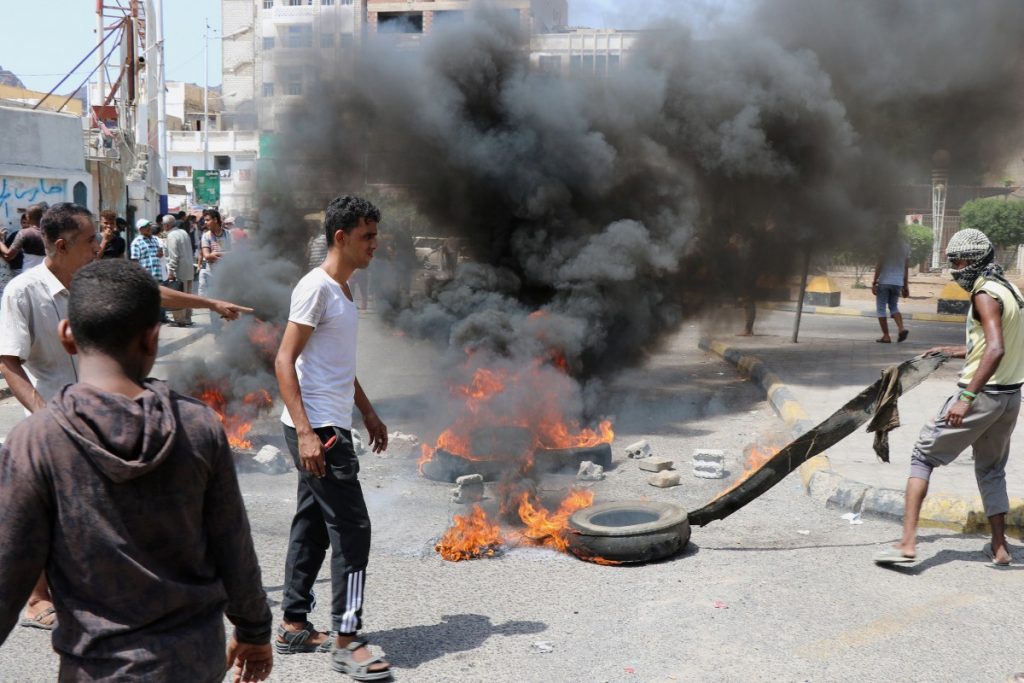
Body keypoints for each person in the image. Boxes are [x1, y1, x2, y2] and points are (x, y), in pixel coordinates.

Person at [0, 258, 274, 682]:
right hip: (194, 664)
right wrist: (254, 631)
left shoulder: (37, 441)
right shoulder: (199, 427)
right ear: (153, 338)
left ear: (67, 336)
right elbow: (233, 545)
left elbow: (8, 574)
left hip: (96, 670)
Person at [274, 195, 391, 679]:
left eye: (375, 235)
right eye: (367, 236)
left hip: (328, 421)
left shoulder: (342, 292)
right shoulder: (316, 288)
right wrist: (305, 432)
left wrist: (367, 411)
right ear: (340, 237)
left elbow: (336, 364)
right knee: (354, 529)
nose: (374, 245)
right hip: (317, 429)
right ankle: (347, 638)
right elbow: (284, 360)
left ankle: (293, 624)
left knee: (313, 523)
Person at [875, 229, 1024, 567]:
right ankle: (1000, 548)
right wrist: (954, 351)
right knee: (991, 468)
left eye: (958, 261)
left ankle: (907, 544)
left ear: (972, 261)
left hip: (982, 396)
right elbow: (997, 344)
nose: (955, 269)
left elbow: (997, 348)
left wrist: (966, 398)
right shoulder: (1009, 288)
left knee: (922, 457)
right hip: (1009, 397)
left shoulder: (984, 294)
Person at [871, 225, 911, 343]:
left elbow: (880, 264)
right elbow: (906, 267)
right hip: (898, 282)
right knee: (893, 307)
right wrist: (905, 285)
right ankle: (901, 328)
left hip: (884, 281)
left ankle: (886, 336)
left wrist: (874, 282)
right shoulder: (905, 246)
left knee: (881, 309)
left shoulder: (884, 245)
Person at [165, 214, 196, 327]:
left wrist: (171, 271)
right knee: (188, 294)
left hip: (180, 270)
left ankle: (180, 319)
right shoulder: (184, 233)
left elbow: (174, 256)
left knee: (177, 294)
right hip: (188, 268)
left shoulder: (172, 235)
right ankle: (187, 318)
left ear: (167, 225)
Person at [1, 203, 47, 271]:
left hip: (29, 273)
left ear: (28, 217)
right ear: (41, 216)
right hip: (45, 273)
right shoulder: (49, 233)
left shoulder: (24, 233)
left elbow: (8, 255)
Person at [129, 218, 163, 282]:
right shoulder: (136, 242)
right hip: (146, 279)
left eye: (149, 225)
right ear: (140, 229)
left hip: (158, 277)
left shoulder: (156, 239)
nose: (149, 228)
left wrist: (161, 253)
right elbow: (134, 262)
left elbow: (160, 255)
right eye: (146, 226)